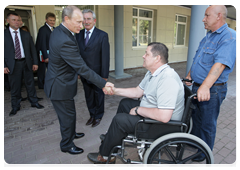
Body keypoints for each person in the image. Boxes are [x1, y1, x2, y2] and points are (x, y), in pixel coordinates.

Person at [87, 42, 185, 166]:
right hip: (154, 115)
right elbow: (137, 92)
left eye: (147, 53)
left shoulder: (167, 78)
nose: (143, 56)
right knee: (125, 103)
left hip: (163, 125)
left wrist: (139, 110)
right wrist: (114, 91)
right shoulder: (152, 73)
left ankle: (105, 157)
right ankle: (112, 139)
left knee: (120, 120)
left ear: (157, 58)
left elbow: (164, 116)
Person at [44, 5, 113, 155]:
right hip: (59, 86)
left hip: (63, 83)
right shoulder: (64, 39)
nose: (82, 26)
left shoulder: (61, 31)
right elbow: (82, 68)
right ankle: (67, 144)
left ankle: (71, 133)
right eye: (79, 22)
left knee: (70, 113)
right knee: (66, 117)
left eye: (84, 21)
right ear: (67, 19)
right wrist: (103, 83)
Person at [185, 5, 238, 162]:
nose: (203, 19)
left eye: (207, 15)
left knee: (207, 124)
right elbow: (198, 58)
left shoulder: (229, 36)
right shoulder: (209, 35)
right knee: (196, 119)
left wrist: (205, 86)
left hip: (212, 90)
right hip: (199, 86)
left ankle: (204, 153)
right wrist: (189, 75)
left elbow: (220, 65)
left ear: (218, 16)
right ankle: (195, 143)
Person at [4, 12, 44, 117]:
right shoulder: (3, 35)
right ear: (7, 21)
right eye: (13, 20)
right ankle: (15, 106)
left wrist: (35, 62)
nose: (16, 22)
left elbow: (32, 50)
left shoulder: (26, 34)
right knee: (15, 86)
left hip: (26, 63)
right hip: (13, 64)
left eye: (18, 20)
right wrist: (3, 66)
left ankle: (34, 101)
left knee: (30, 84)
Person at [76, 9, 110, 127]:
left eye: (89, 19)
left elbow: (105, 57)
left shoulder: (102, 35)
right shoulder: (78, 34)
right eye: (84, 19)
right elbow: (78, 55)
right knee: (88, 95)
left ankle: (99, 115)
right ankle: (92, 114)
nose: (86, 21)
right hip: (84, 73)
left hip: (98, 73)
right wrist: (78, 72)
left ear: (94, 21)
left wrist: (104, 76)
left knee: (98, 95)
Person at [35, 12, 56, 89]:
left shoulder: (54, 29)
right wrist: (46, 56)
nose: (52, 22)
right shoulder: (43, 30)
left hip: (52, 53)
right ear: (46, 20)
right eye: (50, 20)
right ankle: (41, 85)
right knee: (42, 70)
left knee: (50, 70)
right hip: (44, 54)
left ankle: (48, 84)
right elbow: (42, 43)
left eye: (53, 20)